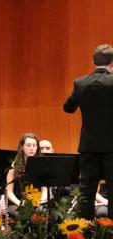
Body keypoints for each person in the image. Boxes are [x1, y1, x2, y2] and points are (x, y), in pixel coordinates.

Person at [64, 43, 113, 219]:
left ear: (93, 61)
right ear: (112, 63)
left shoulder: (80, 83)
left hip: (89, 146)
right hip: (111, 147)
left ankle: (84, 234)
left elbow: (68, 108)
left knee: (86, 190)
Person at [6, 133, 47, 213]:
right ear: (22, 147)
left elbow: (44, 191)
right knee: (21, 214)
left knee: (42, 213)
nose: (32, 148)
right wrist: (20, 203)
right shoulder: (14, 165)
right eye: (28, 145)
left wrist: (39, 201)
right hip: (17, 203)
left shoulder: (41, 165)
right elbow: (9, 191)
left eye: (34, 145)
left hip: (36, 203)